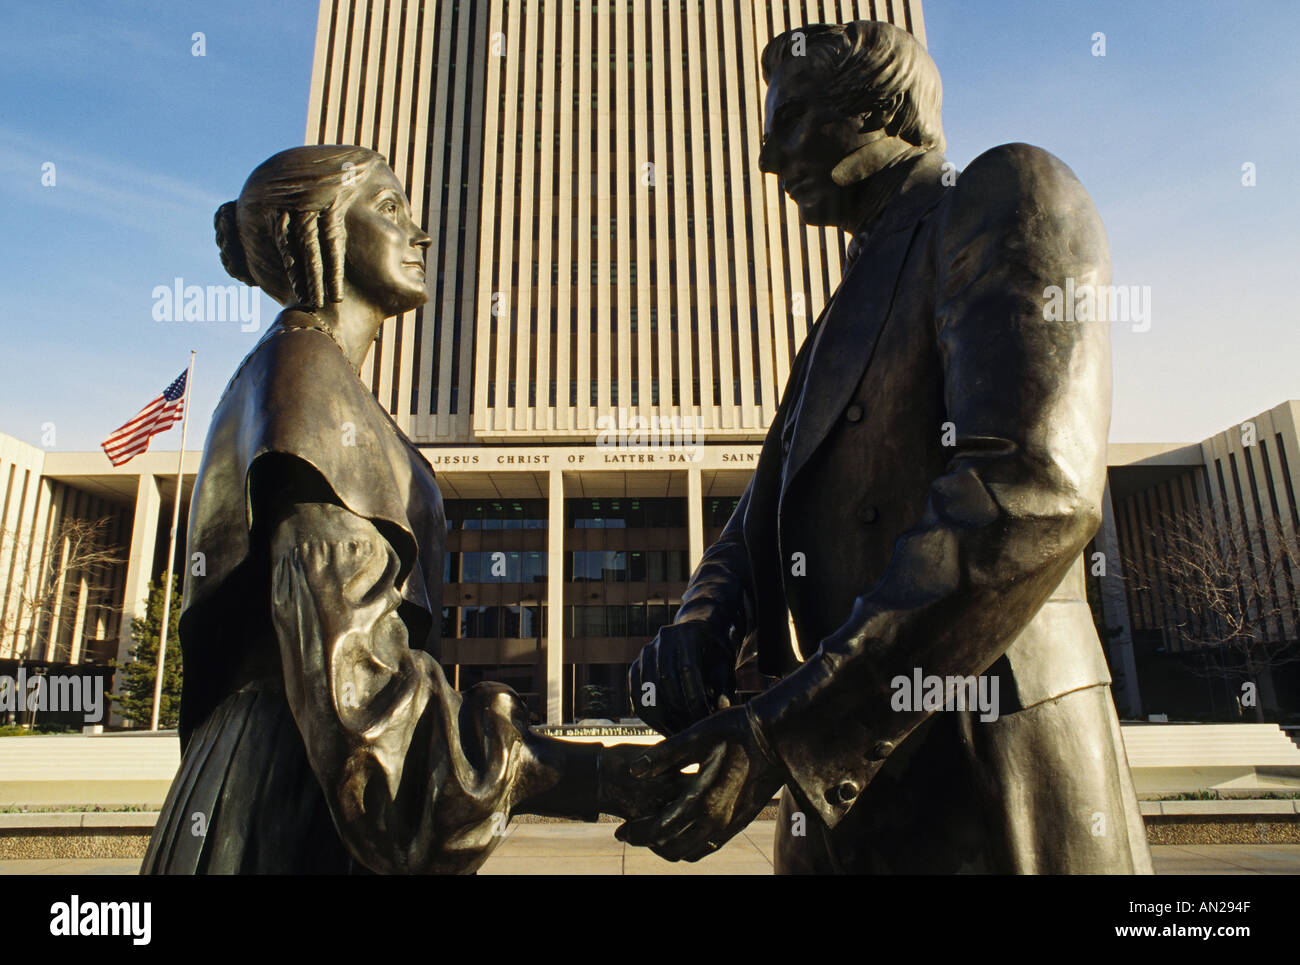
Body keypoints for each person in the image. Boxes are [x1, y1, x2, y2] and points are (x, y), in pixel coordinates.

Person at [623, 21, 1152, 874]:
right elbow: (763, 513)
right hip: (846, 807)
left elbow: (1033, 489)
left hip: (986, 768)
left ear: (879, 107)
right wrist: (700, 621)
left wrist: (793, 728)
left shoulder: (1004, 190)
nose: (768, 157)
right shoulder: (841, 307)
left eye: (792, 119)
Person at [142, 145, 671, 874]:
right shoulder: (308, 377)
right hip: (287, 804)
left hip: (286, 780)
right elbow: (360, 704)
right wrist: (596, 775)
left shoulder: (320, 380)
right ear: (319, 230)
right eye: (390, 209)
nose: (419, 234)